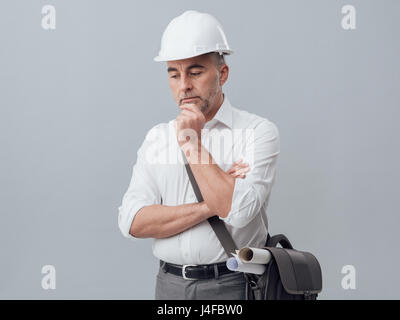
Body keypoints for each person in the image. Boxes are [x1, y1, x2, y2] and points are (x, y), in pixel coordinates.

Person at [117, 10, 280, 300]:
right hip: (169, 285)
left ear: (222, 73)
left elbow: (240, 213)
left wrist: (192, 143)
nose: (184, 86)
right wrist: (211, 204)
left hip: (235, 283)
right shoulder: (157, 137)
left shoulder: (258, 131)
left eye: (195, 72)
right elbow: (132, 222)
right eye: (174, 74)